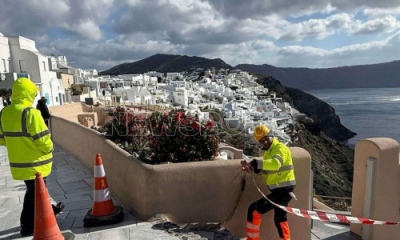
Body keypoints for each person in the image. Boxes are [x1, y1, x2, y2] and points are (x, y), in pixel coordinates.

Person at [0, 77, 64, 236]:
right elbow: (43, 138)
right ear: (28, 93)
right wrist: (50, 148)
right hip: (35, 160)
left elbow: (2, 139)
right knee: (34, 190)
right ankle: (27, 224)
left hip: (18, 161)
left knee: (36, 188)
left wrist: (18, 147)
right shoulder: (31, 113)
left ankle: (49, 210)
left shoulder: (4, 112)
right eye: (33, 94)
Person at [241, 125, 296, 240]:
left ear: (271, 135)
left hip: (283, 190)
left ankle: (252, 239)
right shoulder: (269, 152)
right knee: (280, 217)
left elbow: (275, 164)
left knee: (254, 209)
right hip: (281, 190)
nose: (264, 141)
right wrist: (254, 168)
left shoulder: (280, 148)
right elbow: (267, 170)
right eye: (261, 140)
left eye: (265, 138)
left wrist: (256, 162)